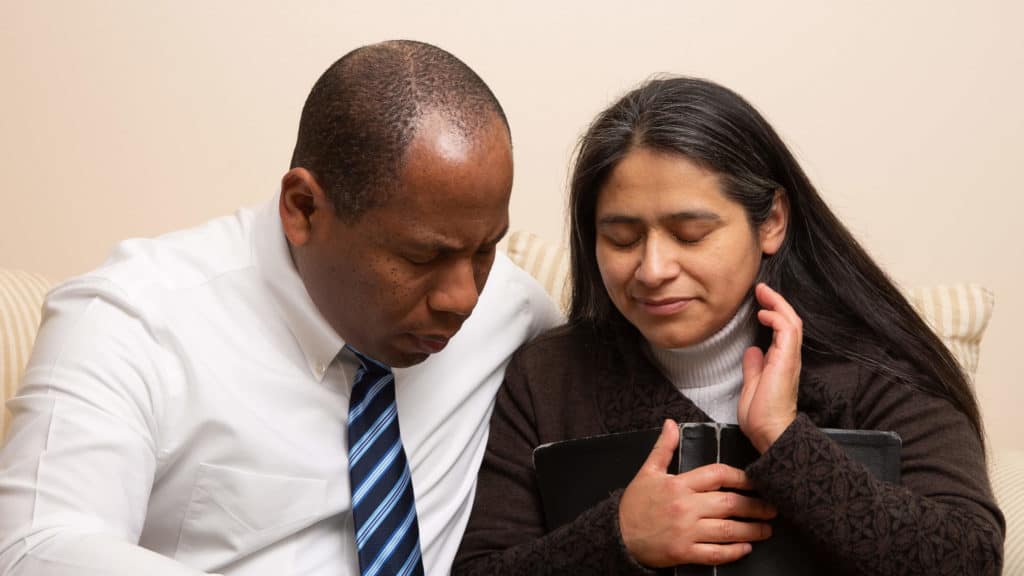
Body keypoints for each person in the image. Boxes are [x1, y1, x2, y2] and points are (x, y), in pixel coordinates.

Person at [0, 40, 561, 576]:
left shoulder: (511, 311)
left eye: (486, 249)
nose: (463, 298)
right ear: (303, 208)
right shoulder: (132, 320)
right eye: (421, 256)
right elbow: (34, 550)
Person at [452, 76, 1004, 575]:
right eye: (621, 238)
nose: (653, 269)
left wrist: (785, 441)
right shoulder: (547, 376)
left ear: (772, 222)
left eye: (690, 234)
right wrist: (617, 537)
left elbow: (970, 556)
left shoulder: (874, 362)